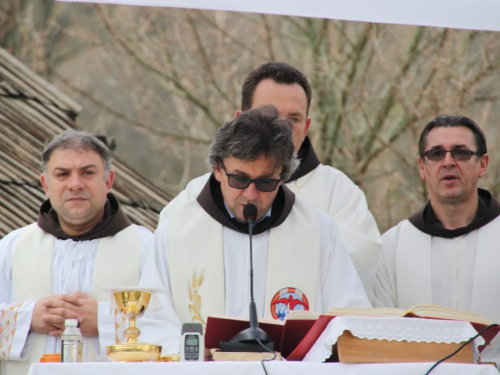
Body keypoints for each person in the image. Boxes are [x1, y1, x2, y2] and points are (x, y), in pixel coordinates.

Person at [158, 62, 382, 296]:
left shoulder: (339, 192)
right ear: (240, 120)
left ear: (306, 127)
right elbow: (167, 258)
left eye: (293, 118)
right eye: (269, 114)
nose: (282, 127)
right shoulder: (200, 194)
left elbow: (356, 271)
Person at [154, 106, 369, 330]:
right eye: (239, 179)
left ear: (283, 175)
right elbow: (152, 320)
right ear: (218, 168)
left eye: (265, 182)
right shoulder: (175, 232)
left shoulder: (320, 232)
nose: (251, 195)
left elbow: (348, 320)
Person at [0, 130, 178, 375]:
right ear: (46, 185)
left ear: (108, 181)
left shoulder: (147, 248)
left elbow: (175, 332)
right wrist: (28, 317)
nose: (75, 184)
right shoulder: (12, 247)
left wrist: (106, 322)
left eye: (88, 172)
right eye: (62, 174)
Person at [373, 115, 500, 365]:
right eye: (436, 154)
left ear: (483, 164)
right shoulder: (393, 247)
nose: (448, 162)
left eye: (461, 153)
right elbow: (381, 340)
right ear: (422, 166)